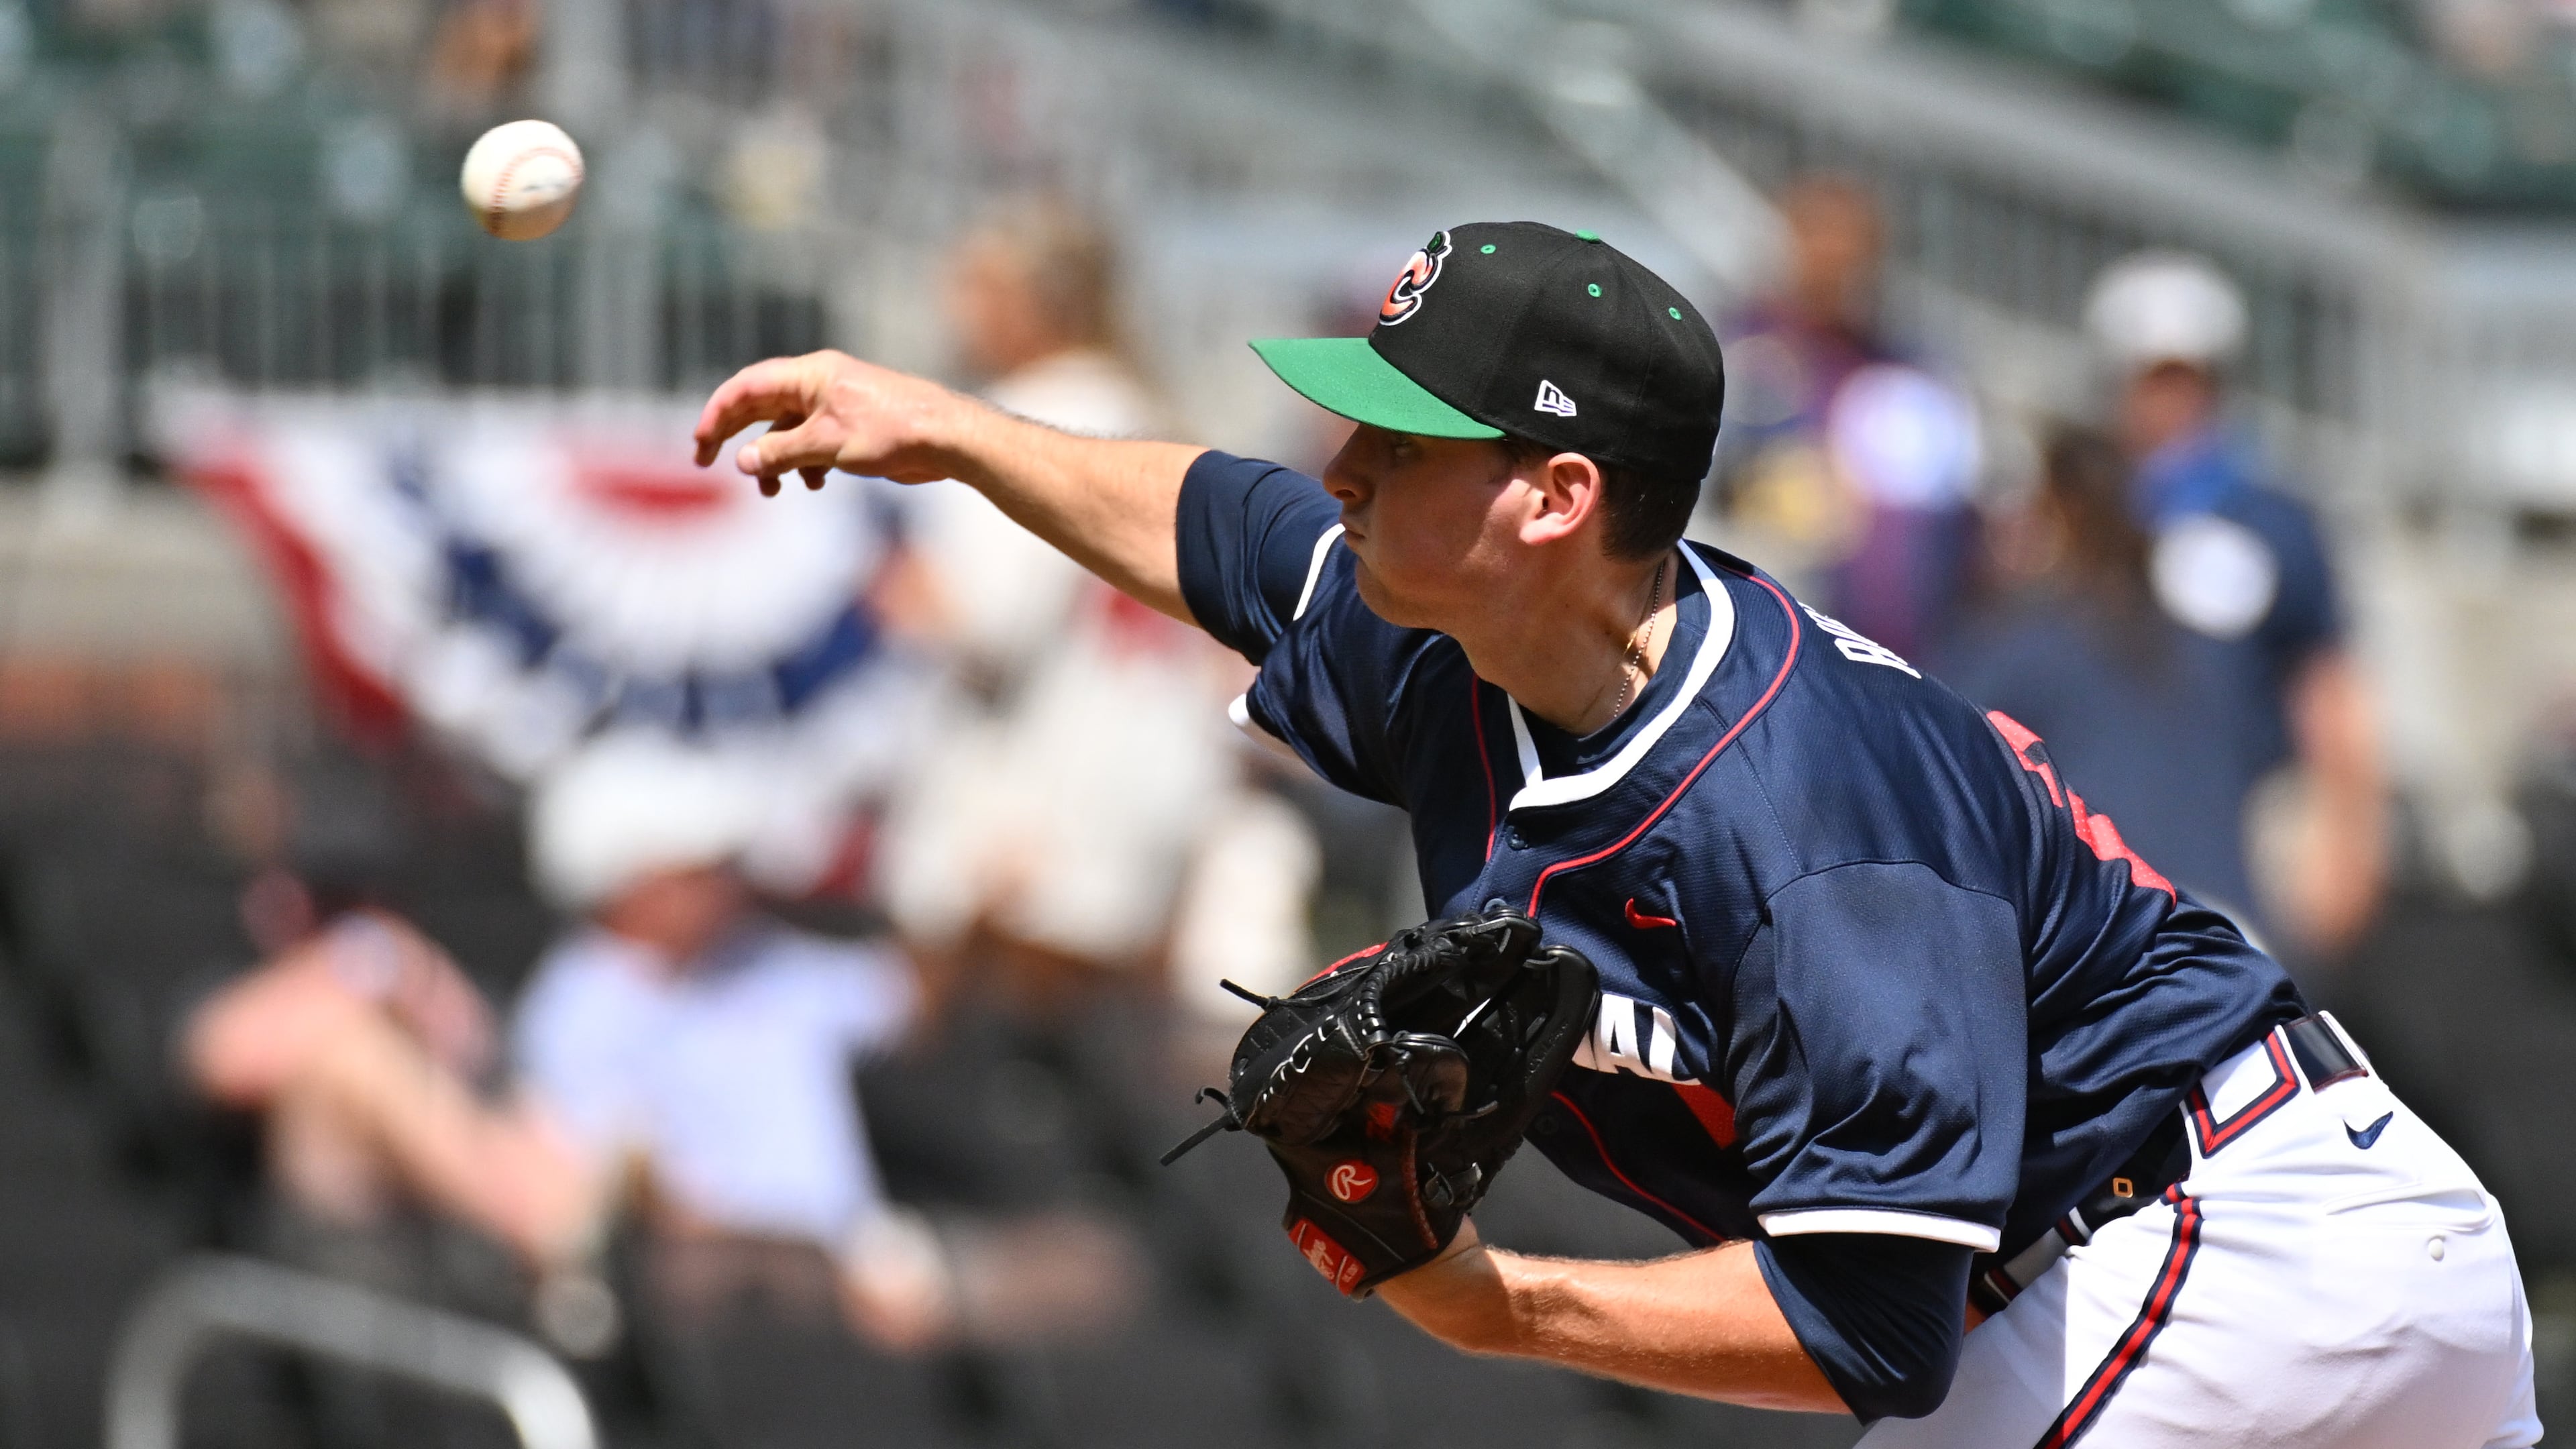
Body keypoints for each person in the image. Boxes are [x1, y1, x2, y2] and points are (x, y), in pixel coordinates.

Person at [695, 219, 2536, 1445]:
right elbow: (1220, 531)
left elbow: (1862, 1323)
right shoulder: (1464, 635)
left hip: (2213, 1242)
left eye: (1401, 444)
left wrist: (1495, 1304)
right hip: (2152, 1251)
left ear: (1557, 498)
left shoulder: (1798, 814)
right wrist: (936, 425)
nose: (1346, 469)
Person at [2081, 250, 2386, 955]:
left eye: (2190, 379)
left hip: (2241, 836)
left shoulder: (2274, 520)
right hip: (2100, 825)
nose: (2171, 402)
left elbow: (2328, 684)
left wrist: (2348, 838)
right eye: (2152, 380)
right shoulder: (2082, 517)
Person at [1946, 429, 2286, 932]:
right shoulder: (2206, 645)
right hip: (2234, 938)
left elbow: (1929, 756)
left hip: (2126, 937)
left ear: (2058, 510)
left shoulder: (2021, 645)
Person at [1711, 176, 1982, 666]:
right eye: (1820, 241)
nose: (1836, 264)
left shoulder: (1906, 372)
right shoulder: (1739, 354)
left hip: (1901, 654)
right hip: (1762, 647)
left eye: (1854, 248)